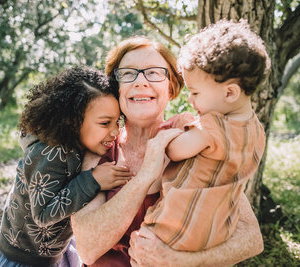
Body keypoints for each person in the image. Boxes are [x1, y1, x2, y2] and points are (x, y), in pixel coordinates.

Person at [71, 36, 264, 267]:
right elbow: (87, 248)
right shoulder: (98, 148)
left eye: (153, 73)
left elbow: (251, 238)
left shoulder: (197, 139)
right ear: (116, 87)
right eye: (128, 74)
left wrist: (180, 260)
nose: (141, 82)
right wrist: (145, 176)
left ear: (171, 87)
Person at [141, 19, 270, 251]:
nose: (191, 100)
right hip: (215, 230)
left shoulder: (212, 126)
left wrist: (178, 126)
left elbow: (174, 151)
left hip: (176, 225)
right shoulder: (257, 132)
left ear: (230, 92)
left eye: (196, 92)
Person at [0, 66, 134, 267]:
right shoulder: (50, 153)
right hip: (24, 258)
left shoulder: (77, 144)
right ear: (72, 122)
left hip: (56, 251)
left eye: (117, 122)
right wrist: (93, 181)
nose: (114, 131)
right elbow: (42, 214)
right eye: (105, 123)